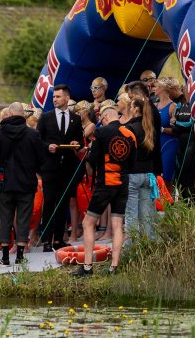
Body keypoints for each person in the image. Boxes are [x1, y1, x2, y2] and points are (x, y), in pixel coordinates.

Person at [76, 103, 138, 276]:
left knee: (88, 223)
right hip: (123, 183)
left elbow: (93, 159)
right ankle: (114, 266)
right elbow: (132, 163)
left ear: (104, 118)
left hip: (106, 184)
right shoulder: (130, 134)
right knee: (117, 224)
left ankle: (87, 267)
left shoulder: (101, 132)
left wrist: (87, 152)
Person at [0, 102, 46, 266]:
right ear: (23, 115)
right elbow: (41, 158)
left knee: (5, 218)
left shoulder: (0, 133)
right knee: (23, 218)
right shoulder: (32, 134)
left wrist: (2, 163)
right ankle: (20, 256)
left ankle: (5, 258)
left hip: (4, 183)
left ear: (10, 114)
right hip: (26, 182)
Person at [37, 84, 84, 252]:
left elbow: (80, 141)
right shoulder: (46, 117)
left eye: (57, 97)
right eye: (53, 97)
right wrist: (47, 146)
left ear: (66, 98)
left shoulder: (75, 118)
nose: (54, 99)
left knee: (63, 203)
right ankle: (47, 240)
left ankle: (58, 239)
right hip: (50, 166)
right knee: (49, 202)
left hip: (67, 167)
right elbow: (38, 141)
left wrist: (75, 144)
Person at [123, 92, 161, 242]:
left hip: (133, 173)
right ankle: (151, 242)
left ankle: (132, 247)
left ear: (136, 109)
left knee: (131, 214)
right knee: (147, 214)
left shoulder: (129, 128)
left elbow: (126, 153)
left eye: (131, 106)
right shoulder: (150, 128)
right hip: (148, 174)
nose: (130, 109)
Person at [155, 77, 179, 184]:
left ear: (162, 88)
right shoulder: (154, 105)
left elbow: (177, 130)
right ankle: (158, 200)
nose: (154, 89)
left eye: (156, 86)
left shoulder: (173, 106)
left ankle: (170, 200)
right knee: (156, 177)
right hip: (156, 144)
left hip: (169, 144)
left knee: (167, 177)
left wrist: (162, 129)